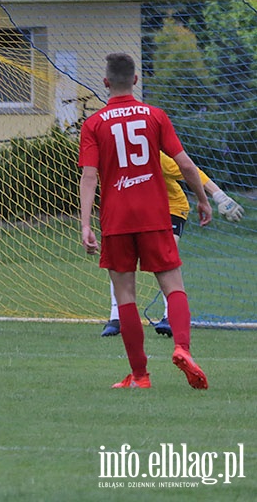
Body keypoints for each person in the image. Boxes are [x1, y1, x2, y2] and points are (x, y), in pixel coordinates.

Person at [79, 52, 211, 390]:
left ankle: (139, 376)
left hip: (117, 219)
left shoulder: (94, 124)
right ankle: (182, 347)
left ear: (106, 82)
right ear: (135, 81)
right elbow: (184, 164)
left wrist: (84, 224)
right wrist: (201, 198)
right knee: (173, 285)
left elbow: (90, 176)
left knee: (125, 296)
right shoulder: (154, 116)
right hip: (155, 214)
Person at [100, 152, 245, 337]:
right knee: (119, 260)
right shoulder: (107, 157)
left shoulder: (151, 154)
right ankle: (116, 318)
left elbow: (190, 169)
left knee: (165, 254)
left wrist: (220, 197)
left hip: (170, 207)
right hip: (136, 210)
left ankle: (170, 317)